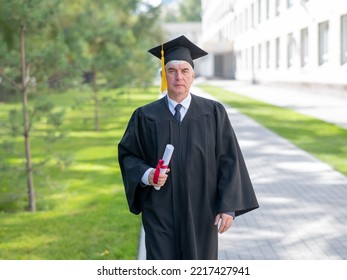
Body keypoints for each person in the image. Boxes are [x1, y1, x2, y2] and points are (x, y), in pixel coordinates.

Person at [118, 35, 259, 260]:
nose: (178, 77)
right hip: (159, 212)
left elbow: (229, 159)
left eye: (184, 71)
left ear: (193, 76)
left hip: (203, 213)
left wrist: (228, 206)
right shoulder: (145, 116)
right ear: (164, 75)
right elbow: (128, 156)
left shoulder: (213, 113)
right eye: (171, 70)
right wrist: (148, 175)